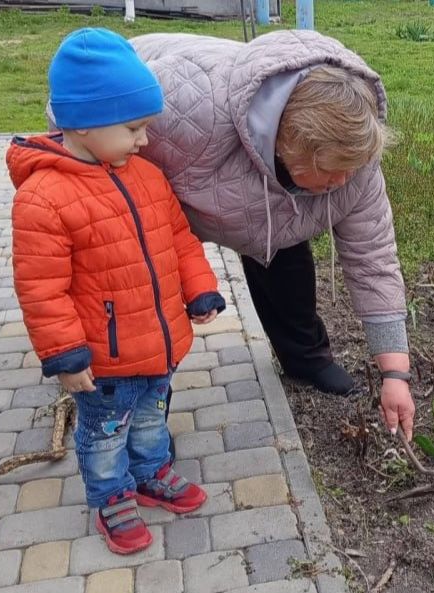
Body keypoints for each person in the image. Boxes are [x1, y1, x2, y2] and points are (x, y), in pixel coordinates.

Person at [129, 30, 416, 438]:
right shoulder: (183, 106)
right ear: (287, 144)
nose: (344, 180)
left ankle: (306, 359)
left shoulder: (356, 164)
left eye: (351, 169)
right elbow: (80, 113)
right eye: (333, 171)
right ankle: (136, 408)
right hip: (169, 176)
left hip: (264, 210)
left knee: (284, 252)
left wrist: (395, 373)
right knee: (135, 282)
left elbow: (374, 259)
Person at [8, 28, 227, 555]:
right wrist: (63, 353)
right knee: (105, 433)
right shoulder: (43, 198)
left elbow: (179, 236)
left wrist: (199, 288)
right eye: (133, 128)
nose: (145, 141)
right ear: (82, 123)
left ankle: (151, 471)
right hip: (103, 359)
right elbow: (41, 288)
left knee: (152, 417)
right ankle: (111, 494)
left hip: (161, 344)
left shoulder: (147, 176)